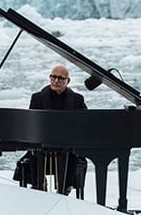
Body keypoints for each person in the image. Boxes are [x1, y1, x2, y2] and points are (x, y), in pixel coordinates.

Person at [14, 65, 88, 195]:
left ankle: (65, 189)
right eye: (53, 77)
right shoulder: (37, 98)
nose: (56, 80)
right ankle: (39, 186)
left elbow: (84, 123)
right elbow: (32, 123)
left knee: (74, 158)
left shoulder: (77, 99)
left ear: (67, 81)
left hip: (67, 146)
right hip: (42, 146)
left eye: (60, 78)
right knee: (33, 156)